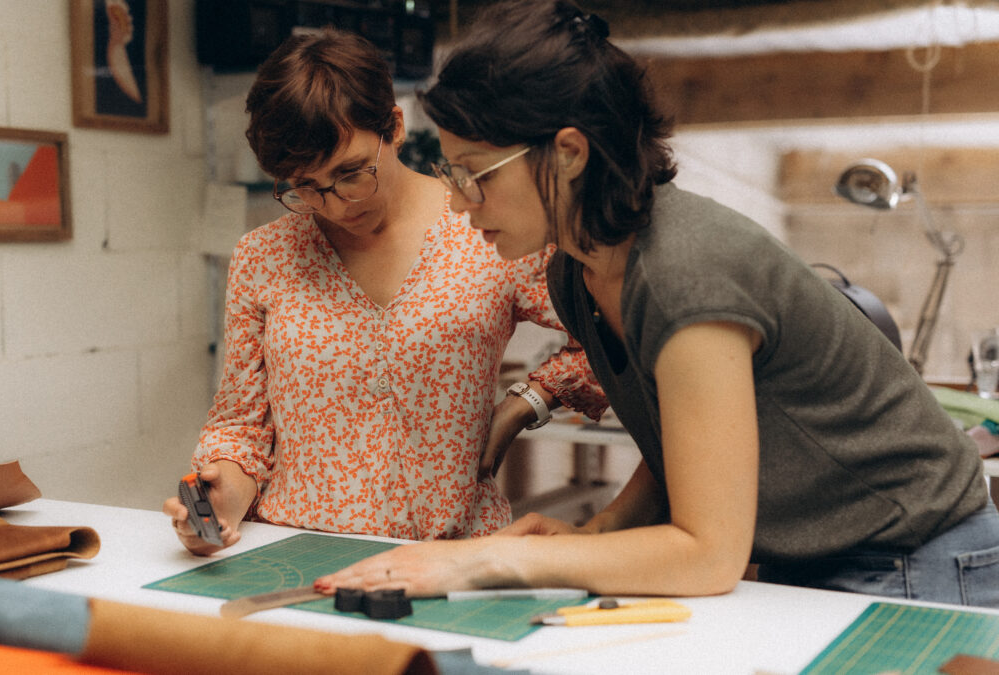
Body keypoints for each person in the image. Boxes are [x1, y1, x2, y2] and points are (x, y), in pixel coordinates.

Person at [316, 0, 999, 607]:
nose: (461, 203)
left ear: (569, 152)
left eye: (476, 175)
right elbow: (691, 440)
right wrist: (604, 528)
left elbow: (708, 554)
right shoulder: (574, 272)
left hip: (922, 554)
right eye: (450, 173)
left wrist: (488, 558)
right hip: (828, 551)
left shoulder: (683, 274)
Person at [162, 28, 604, 554]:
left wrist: (523, 405)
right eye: (305, 186)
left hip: (449, 553)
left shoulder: (485, 228)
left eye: (351, 173)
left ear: (393, 127)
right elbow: (241, 424)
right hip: (294, 550)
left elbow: (608, 338)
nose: (337, 205)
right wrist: (219, 503)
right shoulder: (266, 255)